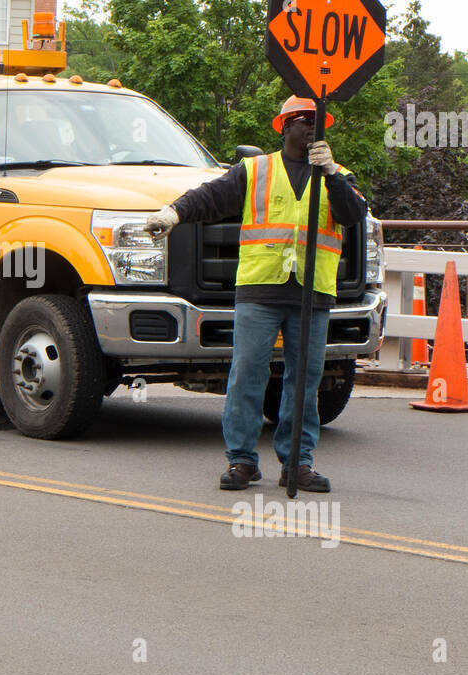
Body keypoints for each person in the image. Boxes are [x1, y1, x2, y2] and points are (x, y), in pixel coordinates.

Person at [142, 96, 366, 493]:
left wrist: (330, 172)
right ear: (284, 127)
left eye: (318, 121)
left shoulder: (337, 175)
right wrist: (172, 214)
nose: (312, 127)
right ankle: (242, 460)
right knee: (247, 373)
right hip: (260, 289)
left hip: (312, 292)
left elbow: (353, 216)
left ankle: (298, 462)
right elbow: (209, 197)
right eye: (302, 120)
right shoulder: (255, 170)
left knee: (304, 380)